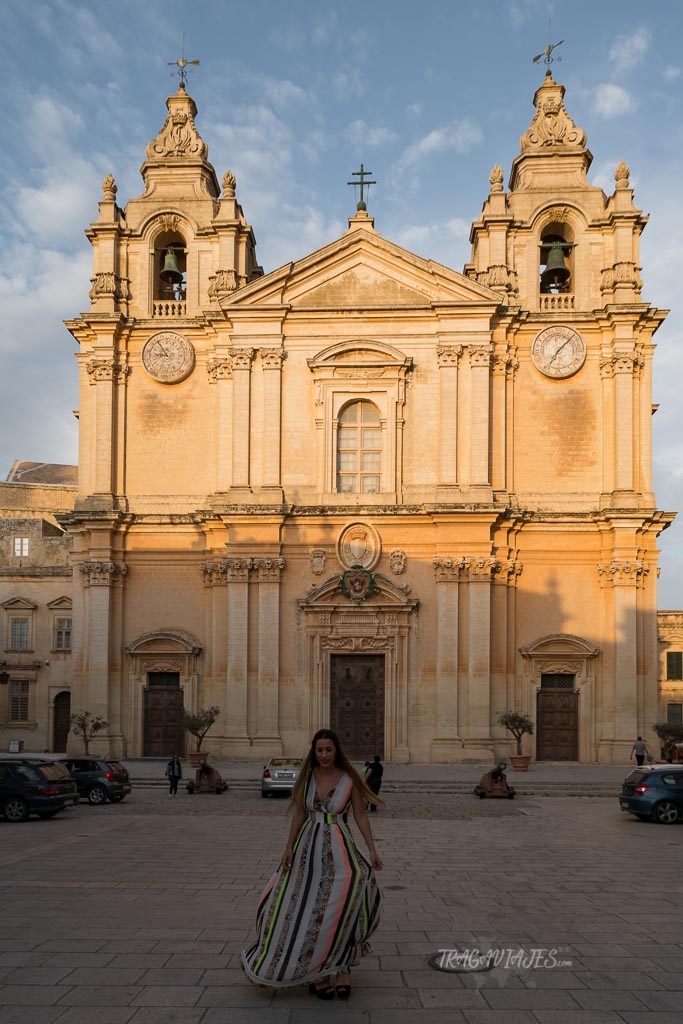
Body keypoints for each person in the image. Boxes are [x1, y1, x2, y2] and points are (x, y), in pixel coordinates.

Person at [241, 729, 382, 1000]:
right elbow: (299, 814)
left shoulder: (350, 779)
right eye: (319, 750)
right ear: (313, 752)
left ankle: (341, 968)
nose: (324, 755)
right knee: (308, 909)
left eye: (329, 750)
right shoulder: (306, 778)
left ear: (336, 750)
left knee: (342, 908)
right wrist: (288, 847)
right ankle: (318, 972)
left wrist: (372, 849)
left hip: (341, 850)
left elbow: (361, 816)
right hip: (308, 851)